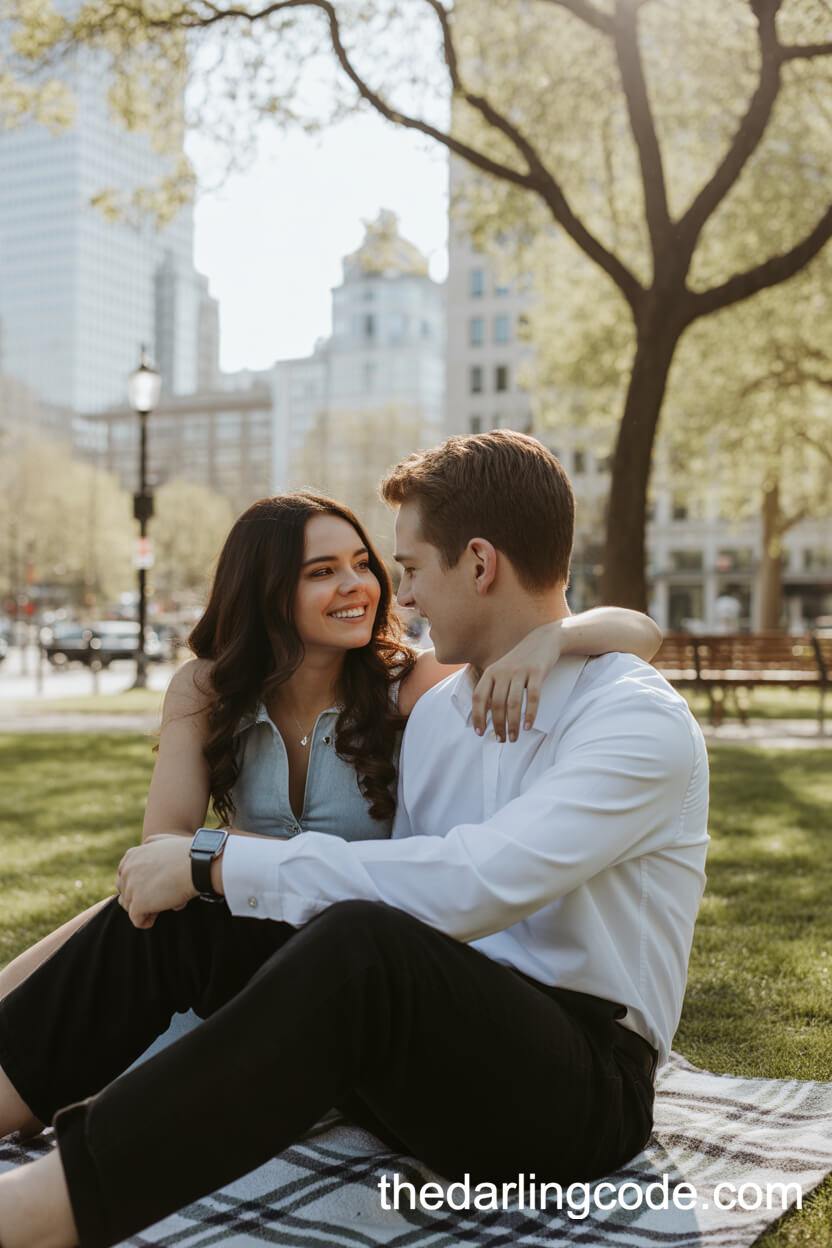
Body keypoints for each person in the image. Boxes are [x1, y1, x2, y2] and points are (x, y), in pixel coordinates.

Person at [0, 433, 707, 1248]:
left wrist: (222, 858)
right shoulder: (441, 712)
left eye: (407, 568)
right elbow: (389, 888)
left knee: (346, 935)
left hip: (578, 1093)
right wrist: (206, 876)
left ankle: (38, 1216)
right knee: (204, 911)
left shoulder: (634, 721)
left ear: (479, 564)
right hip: (428, 1045)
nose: (398, 596)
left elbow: (469, 886)